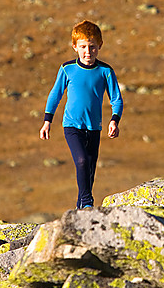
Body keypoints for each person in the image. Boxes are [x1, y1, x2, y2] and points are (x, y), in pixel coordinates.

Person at [40, 20, 123, 209]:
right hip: (72, 126)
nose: (88, 52)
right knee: (82, 160)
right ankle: (87, 201)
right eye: (83, 47)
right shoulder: (67, 69)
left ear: (99, 46)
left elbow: (116, 99)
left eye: (92, 47)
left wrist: (114, 120)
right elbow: (55, 94)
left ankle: (80, 206)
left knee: (90, 170)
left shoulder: (105, 71)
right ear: (75, 47)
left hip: (94, 128)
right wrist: (47, 121)